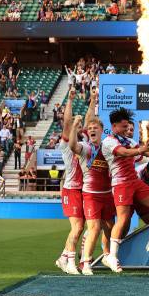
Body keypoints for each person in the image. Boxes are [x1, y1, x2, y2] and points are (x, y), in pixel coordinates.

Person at [102, 108, 149, 273]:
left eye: (127, 126)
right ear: (114, 126)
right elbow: (123, 153)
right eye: (123, 126)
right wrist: (140, 150)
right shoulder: (109, 141)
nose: (126, 129)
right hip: (121, 184)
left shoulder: (128, 140)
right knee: (123, 221)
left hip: (135, 182)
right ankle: (111, 256)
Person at [69, 115, 115, 276]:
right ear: (87, 133)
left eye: (96, 127)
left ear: (102, 130)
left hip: (108, 194)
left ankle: (108, 255)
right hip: (91, 195)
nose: (93, 130)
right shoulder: (86, 148)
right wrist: (74, 126)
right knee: (94, 228)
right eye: (90, 128)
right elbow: (73, 146)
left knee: (110, 228)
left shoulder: (108, 147)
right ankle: (85, 262)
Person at [55, 89, 85, 275]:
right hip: (71, 190)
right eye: (77, 125)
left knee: (81, 228)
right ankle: (70, 262)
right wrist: (71, 99)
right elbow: (66, 123)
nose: (78, 126)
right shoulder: (66, 145)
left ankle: (63, 258)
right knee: (78, 227)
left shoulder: (83, 144)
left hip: (83, 190)